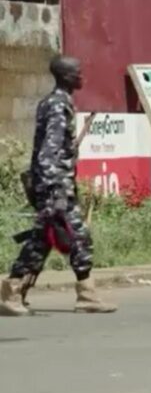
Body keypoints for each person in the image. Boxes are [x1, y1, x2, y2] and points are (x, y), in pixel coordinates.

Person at [1, 57, 117, 316]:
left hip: (55, 185)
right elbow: (48, 152)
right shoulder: (57, 105)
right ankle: (81, 295)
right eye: (77, 72)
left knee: (43, 241)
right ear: (65, 76)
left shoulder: (55, 102)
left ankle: (14, 291)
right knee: (75, 237)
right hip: (55, 187)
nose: (81, 76)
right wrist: (55, 190)